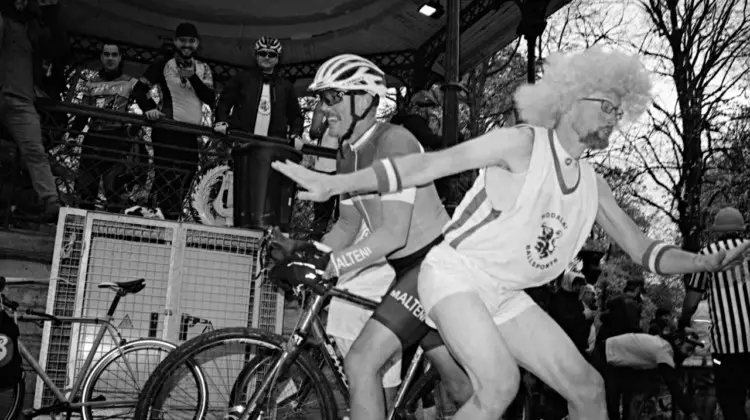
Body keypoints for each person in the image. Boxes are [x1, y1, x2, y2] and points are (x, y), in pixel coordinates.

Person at [272, 47, 750, 420]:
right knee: (496, 385)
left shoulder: (594, 183)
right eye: (604, 104)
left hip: (496, 291)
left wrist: (703, 262)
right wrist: (331, 203)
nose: (613, 117)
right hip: (451, 274)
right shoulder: (521, 142)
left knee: (586, 387)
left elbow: (646, 251)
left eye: (617, 109)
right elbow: (424, 168)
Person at [301, 54, 471, 420]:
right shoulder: (347, 155)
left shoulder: (395, 141)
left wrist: (331, 266)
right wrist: (310, 257)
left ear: (362, 101)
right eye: (321, 99)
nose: (322, 108)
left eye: (331, 97)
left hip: (435, 266)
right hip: (409, 273)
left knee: (361, 361)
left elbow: (393, 234)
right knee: (458, 386)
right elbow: (347, 226)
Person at [132, 22, 215, 219]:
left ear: (197, 43)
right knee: (165, 176)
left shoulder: (203, 68)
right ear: (176, 41)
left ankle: (169, 216)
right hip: (166, 128)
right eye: (183, 41)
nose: (187, 45)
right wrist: (149, 108)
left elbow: (211, 98)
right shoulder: (163, 63)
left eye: (191, 41)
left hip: (190, 133)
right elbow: (138, 89)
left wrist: (193, 78)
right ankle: (162, 219)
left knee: (188, 173)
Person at [679, 206, 750, 420]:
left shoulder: (707, 255)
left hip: (727, 347)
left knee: (731, 401)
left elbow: (692, 300)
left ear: (717, 230)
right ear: (741, 228)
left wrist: (682, 322)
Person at [0, 0, 61, 221]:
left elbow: (57, 49)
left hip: (20, 96)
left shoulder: (33, 25)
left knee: (34, 149)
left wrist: (51, 11)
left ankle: (50, 199)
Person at [71, 43, 139, 212]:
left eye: (114, 55)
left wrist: (133, 130)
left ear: (120, 57)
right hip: (94, 136)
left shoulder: (131, 82)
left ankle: (111, 230)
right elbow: (82, 112)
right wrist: (73, 135)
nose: (110, 58)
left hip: (117, 138)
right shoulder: (91, 82)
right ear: (101, 57)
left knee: (114, 189)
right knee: (86, 188)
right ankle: (80, 230)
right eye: (106, 54)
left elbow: (145, 106)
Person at [591, 329, 705, 420]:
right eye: (688, 349)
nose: (689, 354)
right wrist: (689, 410)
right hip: (604, 355)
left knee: (627, 392)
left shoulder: (662, 344)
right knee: (611, 400)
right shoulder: (663, 350)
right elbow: (672, 383)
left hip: (614, 358)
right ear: (678, 343)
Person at [214, 36, 303, 146]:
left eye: (272, 54)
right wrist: (222, 121)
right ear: (256, 55)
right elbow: (224, 102)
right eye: (262, 53)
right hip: (241, 143)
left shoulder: (286, 86)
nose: (267, 57)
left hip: (273, 147)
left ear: (278, 58)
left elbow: (295, 115)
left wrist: (296, 134)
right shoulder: (241, 78)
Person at [597, 278, 645, 345]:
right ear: (637, 289)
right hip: (615, 345)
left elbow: (603, 317)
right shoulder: (632, 305)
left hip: (602, 340)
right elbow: (634, 328)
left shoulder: (614, 299)